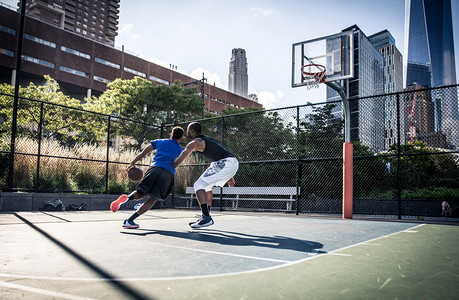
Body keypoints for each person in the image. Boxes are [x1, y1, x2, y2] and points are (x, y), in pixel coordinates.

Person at [110, 126, 184, 229]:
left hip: (155, 168)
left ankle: (127, 198)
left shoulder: (160, 142)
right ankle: (130, 220)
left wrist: (132, 163)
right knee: (152, 200)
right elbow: (177, 163)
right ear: (180, 138)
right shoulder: (181, 150)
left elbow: (142, 154)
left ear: (171, 134)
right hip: (168, 173)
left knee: (140, 193)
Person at [174, 122, 239, 228]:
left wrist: (172, 166)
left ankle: (206, 218)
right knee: (206, 187)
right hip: (229, 162)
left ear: (192, 131)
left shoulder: (195, 142)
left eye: (188, 130)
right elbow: (220, 153)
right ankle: (206, 215)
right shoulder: (208, 139)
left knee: (198, 185)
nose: (187, 132)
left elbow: (183, 155)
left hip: (224, 163)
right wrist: (229, 176)